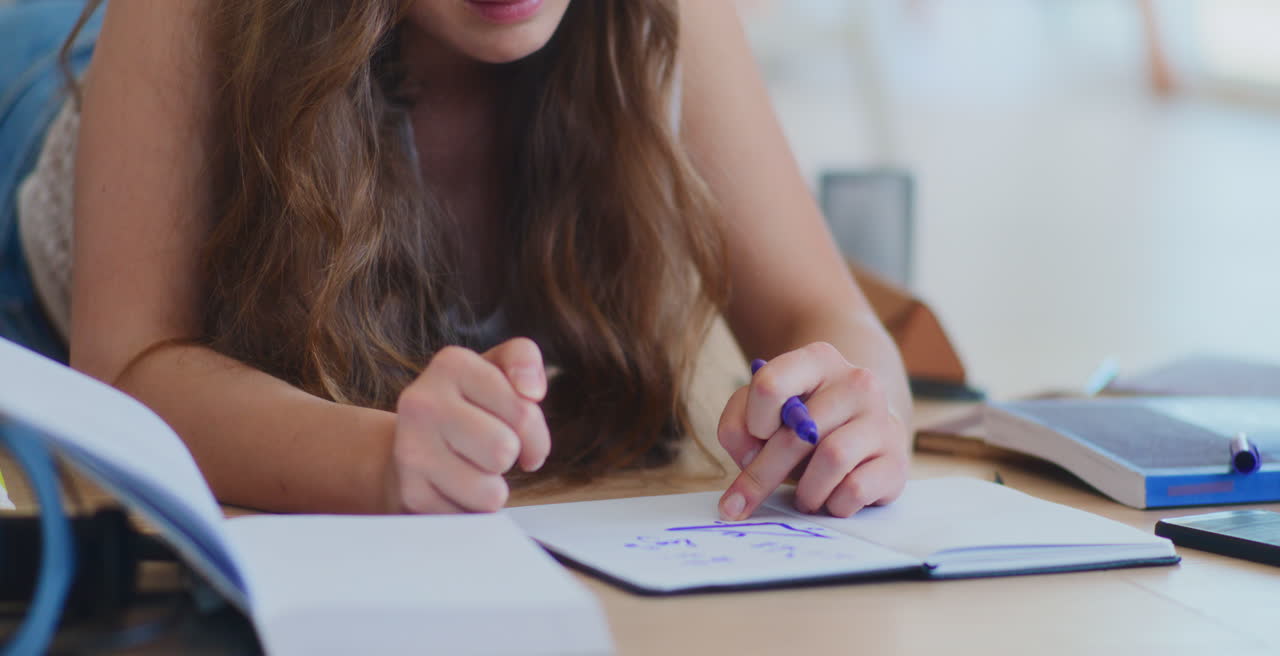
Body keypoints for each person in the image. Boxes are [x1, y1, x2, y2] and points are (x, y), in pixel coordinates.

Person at [1, 0, 912, 521]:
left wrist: (857, 411)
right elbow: (123, 369)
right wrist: (375, 456)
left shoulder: (662, 18)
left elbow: (832, 324)